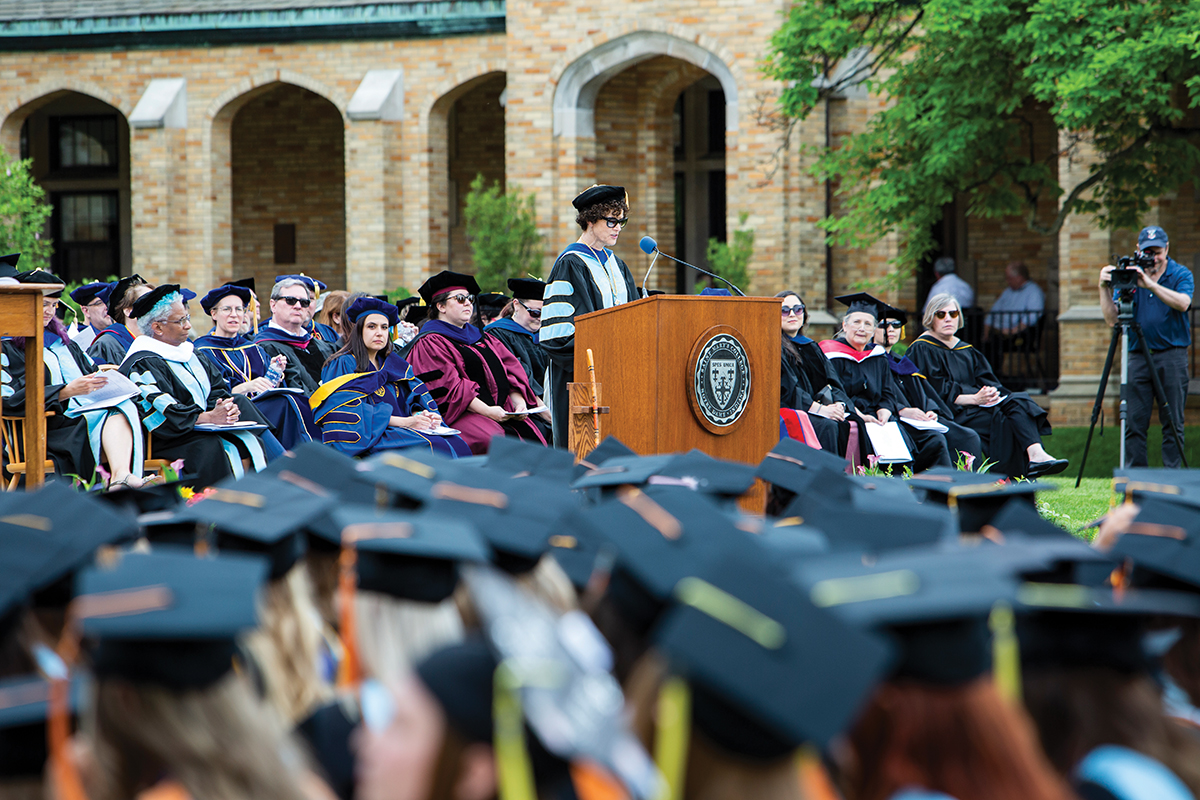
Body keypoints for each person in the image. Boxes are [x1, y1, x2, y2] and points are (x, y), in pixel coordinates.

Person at [120, 284, 281, 485]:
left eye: (187, 318)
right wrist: (207, 417)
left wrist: (225, 409)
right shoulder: (141, 362)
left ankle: (276, 483)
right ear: (157, 327)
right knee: (211, 446)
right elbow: (162, 410)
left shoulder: (190, 353)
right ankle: (218, 510)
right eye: (180, 321)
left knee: (244, 420)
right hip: (169, 438)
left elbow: (217, 389)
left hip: (202, 428)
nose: (188, 326)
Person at [1, 271, 149, 489]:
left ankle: (121, 477)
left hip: (78, 420)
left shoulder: (64, 343)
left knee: (123, 405)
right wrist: (65, 392)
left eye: (53, 304)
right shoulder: (6, 347)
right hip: (42, 429)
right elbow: (8, 400)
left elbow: (91, 373)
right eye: (43, 304)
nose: (49, 311)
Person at [907, 293, 1068, 478]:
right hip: (952, 413)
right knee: (1005, 423)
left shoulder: (966, 349)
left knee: (1017, 401)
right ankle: (1013, 481)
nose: (948, 319)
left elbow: (987, 379)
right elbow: (934, 390)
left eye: (953, 314)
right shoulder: (922, 348)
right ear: (930, 318)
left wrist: (991, 392)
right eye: (941, 315)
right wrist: (974, 399)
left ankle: (1036, 455)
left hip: (978, 407)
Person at [539, 185, 640, 447]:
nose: (618, 227)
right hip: (581, 378)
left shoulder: (618, 265)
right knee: (582, 451)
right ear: (590, 220)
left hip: (619, 375)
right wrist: (600, 359)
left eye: (621, 221)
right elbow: (556, 334)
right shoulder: (570, 263)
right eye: (611, 221)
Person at [406, 271, 547, 454]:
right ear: (440, 306)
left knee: (536, 434)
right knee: (494, 439)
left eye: (470, 298)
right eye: (459, 298)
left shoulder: (483, 337)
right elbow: (450, 389)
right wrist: (488, 411)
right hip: (461, 414)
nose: (467, 303)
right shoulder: (430, 343)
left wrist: (518, 403)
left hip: (502, 410)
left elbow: (510, 372)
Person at [314, 296, 470, 458]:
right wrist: (406, 422)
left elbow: (411, 399)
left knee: (454, 441)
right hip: (374, 437)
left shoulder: (394, 365)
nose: (379, 333)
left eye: (384, 327)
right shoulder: (343, 364)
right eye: (371, 327)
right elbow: (346, 412)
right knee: (433, 446)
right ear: (359, 330)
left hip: (404, 430)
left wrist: (420, 415)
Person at [821, 294, 952, 472]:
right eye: (856, 322)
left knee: (933, 439)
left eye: (868, 324)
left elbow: (887, 391)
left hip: (879, 418)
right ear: (844, 325)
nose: (862, 328)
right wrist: (860, 414)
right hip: (850, 414)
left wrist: (885, 410)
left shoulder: (877, 355)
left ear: (874, 329)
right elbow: (835, 391)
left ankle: (927, 489)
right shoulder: (831, 354)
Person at [1099, 225, 1193, 468]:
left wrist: (1150, 285)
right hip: (1137, 357)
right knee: (1133, 424)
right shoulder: (1130, 277)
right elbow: (1112, 319)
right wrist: (1103, 288)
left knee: (1172, 423)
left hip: (1172, 355)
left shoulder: (1180, 273)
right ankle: (1136, 484)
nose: (1153, 257)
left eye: (1158, 251)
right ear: (1138, 250)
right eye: (1148, 251)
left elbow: (1183, 303)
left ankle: (1172, 484)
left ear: (1167, 249)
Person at [194, 282, 318, 450]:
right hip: (232, 414)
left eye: (239, 309)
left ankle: (306, 454)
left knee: (292, 400)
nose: (234, 315)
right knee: (285, 403)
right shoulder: (202, 350)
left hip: (262, 409)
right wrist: (246, 386)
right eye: (227, 309)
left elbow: (265, 388)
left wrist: (275, 373)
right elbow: (213, 395)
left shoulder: (253, 348)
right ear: (213, 313)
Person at [873, 301, 983, 465]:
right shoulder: (869, 361)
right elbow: (873, 396)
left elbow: (923, 392)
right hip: (894, 419)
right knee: (936, 438)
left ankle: (971, 485)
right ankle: (943, 486)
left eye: (896, 325)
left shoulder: (901, 362)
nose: (890, 330)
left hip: (919, 418)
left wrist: (931, 410)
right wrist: (902, 410)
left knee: (968, 436)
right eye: (884, 325)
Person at [776, 289, 855, 459]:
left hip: (819, 408)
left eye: (798, 309)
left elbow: (833, 381)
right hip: (794, 411)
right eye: (784, 310)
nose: (792, 314)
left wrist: (839, 404)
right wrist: (820, 410)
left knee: (845, 424)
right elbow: (789, 389)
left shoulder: (811, 347)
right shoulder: (775, 347)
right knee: (827, 426)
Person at [484, 278, 553, 440]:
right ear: (516, 304)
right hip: (519, 407)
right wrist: (545, 412)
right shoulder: (497, 334)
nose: (540, 318)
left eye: (545, 313)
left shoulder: (547, 335)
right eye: (535, 312)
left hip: (548, 405)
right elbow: (517, 373)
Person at [254, 277, 340, 395]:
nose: (298, 306)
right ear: (273, 305)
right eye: (290, 300)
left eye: (304, 302)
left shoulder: (324, 346)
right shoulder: (264, 347)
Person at [87, 274, 153, 366]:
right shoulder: (106, 345)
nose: (154, 308)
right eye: (147, 302)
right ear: (128, 311)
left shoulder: (158, 342)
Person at [67, 281, 114, 350]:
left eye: (109, 302)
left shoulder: (121, 333)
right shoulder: (73, 336)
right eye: (99, 303)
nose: (107, 307)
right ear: (86, 311)